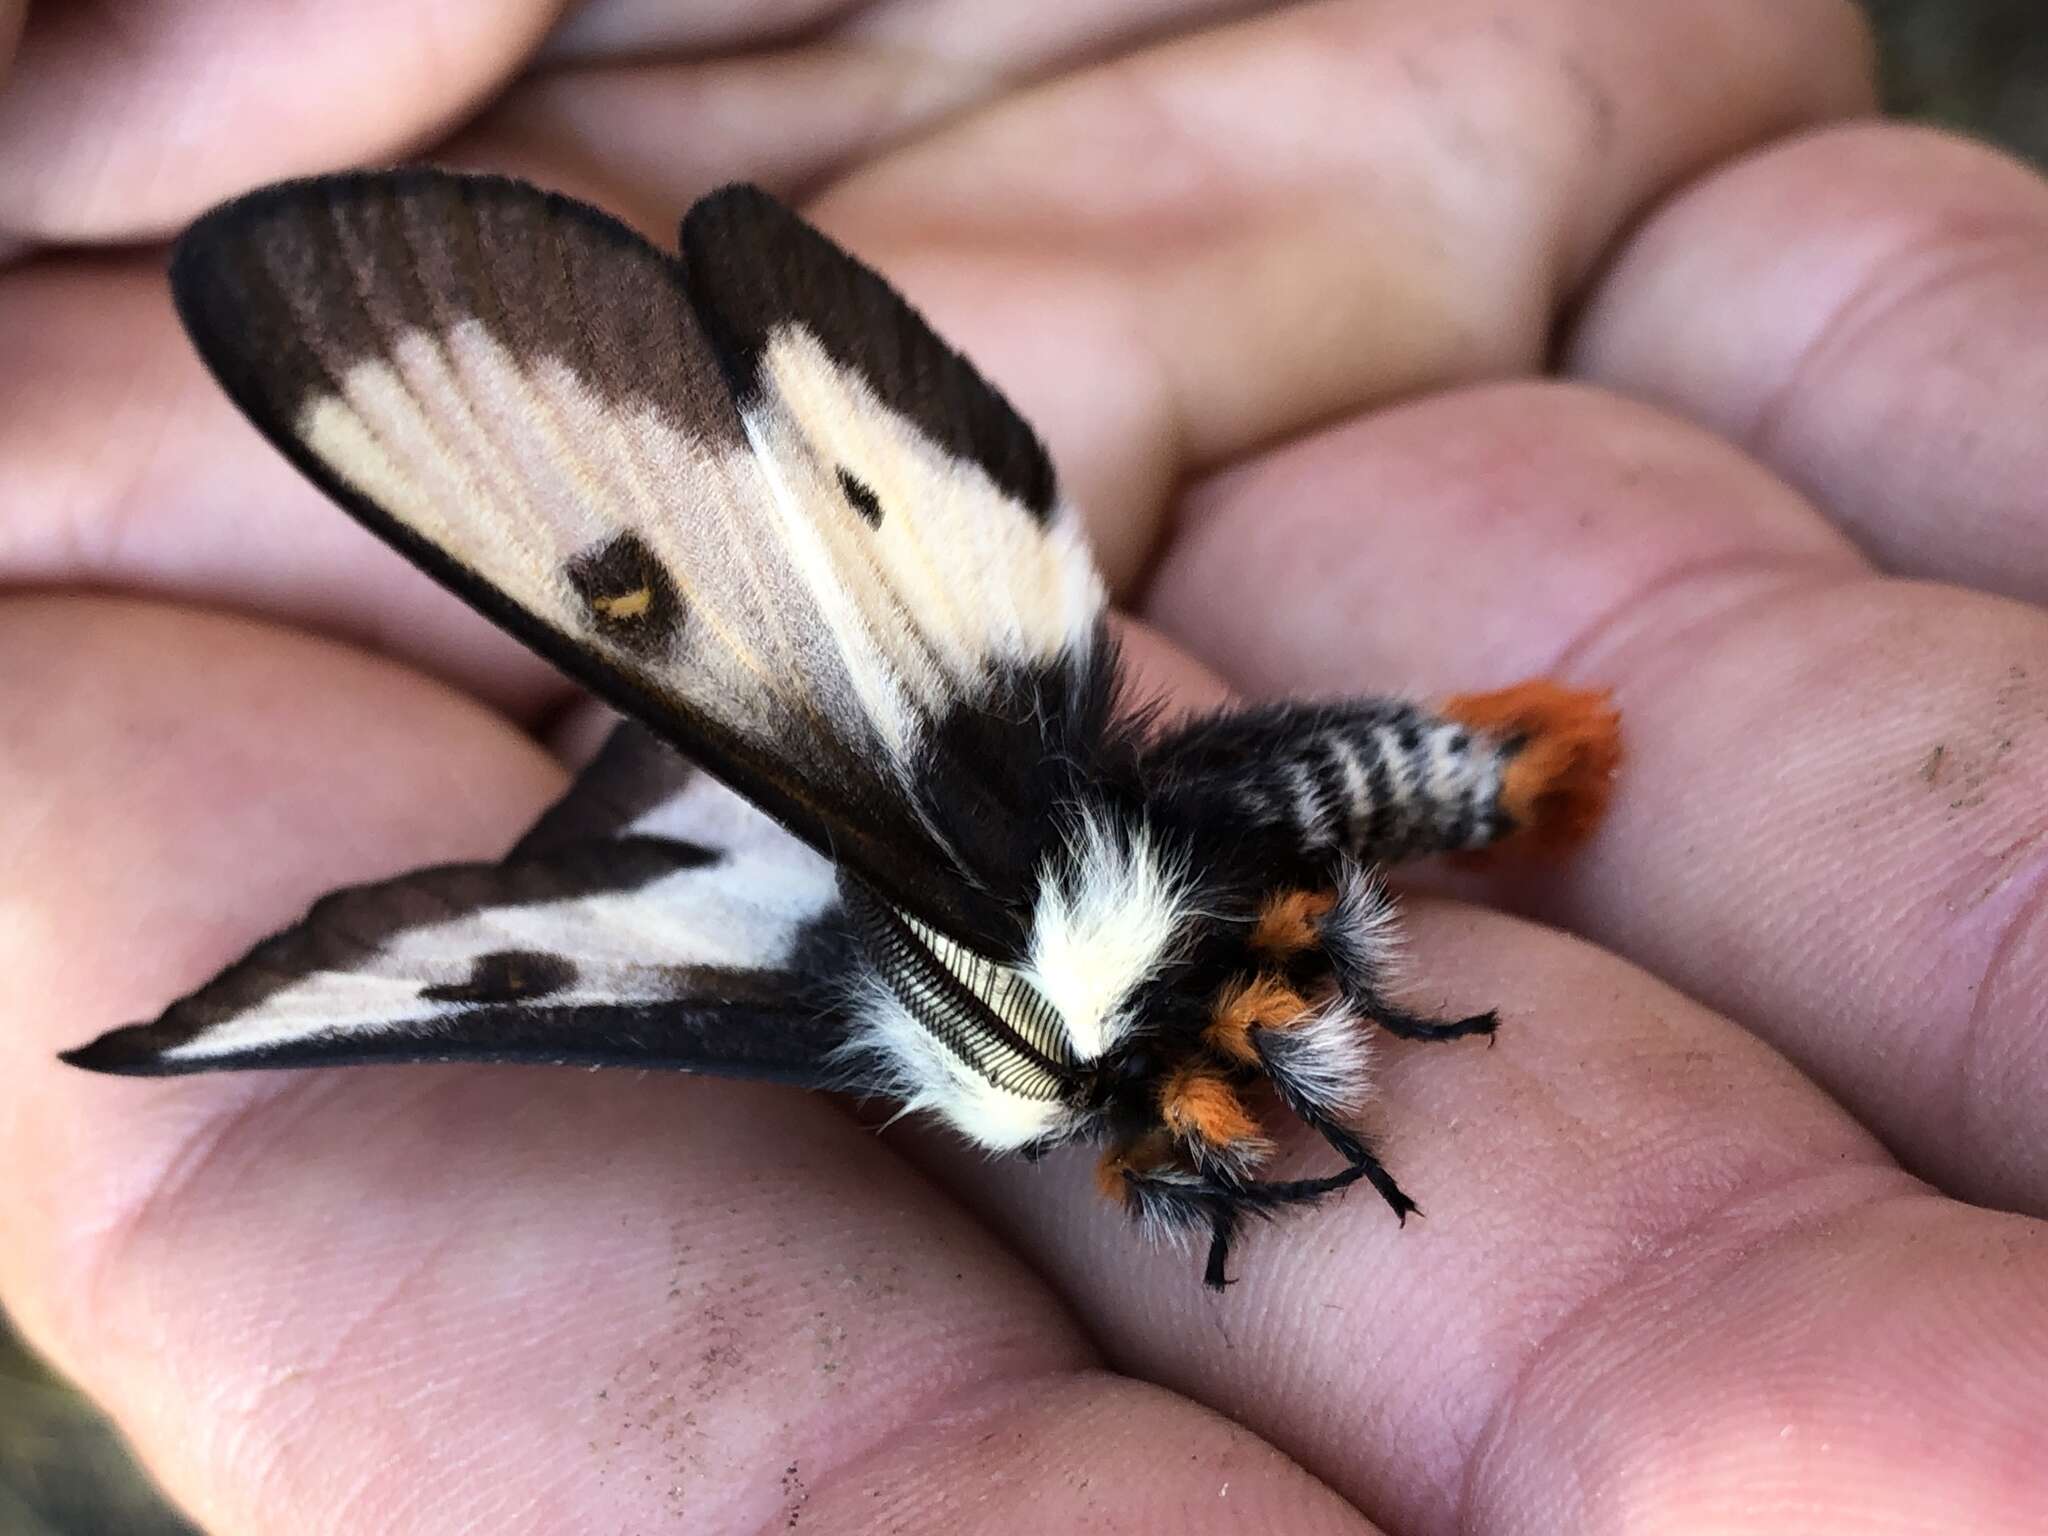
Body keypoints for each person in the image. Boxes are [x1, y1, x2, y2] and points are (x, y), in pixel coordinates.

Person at [5, 1, 2047, 1529]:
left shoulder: (1067, 988)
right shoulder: (1027, 1011)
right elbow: (1270, 991)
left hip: (1065, 724)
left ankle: (1465, 780)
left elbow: (1276, 975)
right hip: (1041, 724)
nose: (1166, 1148)